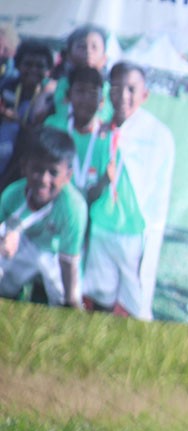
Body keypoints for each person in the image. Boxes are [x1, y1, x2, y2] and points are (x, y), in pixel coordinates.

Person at [82, 61, 174, 319]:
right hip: (102, 226)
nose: (123, 96)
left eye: (131, 89)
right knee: (100, 294)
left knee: (135, 301)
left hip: (135, 230)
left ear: (144, 94)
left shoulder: (156, 135)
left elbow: (152, 189)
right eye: (117, 88)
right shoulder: (100, 130)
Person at [0, 126, 86, 308]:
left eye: (53, 172)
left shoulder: (74, 208)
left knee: (67, 299)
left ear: (67, 176)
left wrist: (71, 300)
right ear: (24, 167)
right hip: (26, 243)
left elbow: (68, 261)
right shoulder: (13, 195)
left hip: (55, 253)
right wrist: (3, 243)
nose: (44, 180)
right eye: (37, 170)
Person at [44, 66, 109, 201]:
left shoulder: (107, 137)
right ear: (68, 96)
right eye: (80, 91)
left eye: (92, 93)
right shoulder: (53, 127)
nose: (85, 99)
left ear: (101, 101)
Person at [0, 40, 54, 186]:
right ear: (17, 65)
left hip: (24, 162)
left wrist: (18, 122)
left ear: (48, 70)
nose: (33, 70)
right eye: (28, 64)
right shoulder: (6, 87)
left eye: (40, 66)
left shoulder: (49, 98)